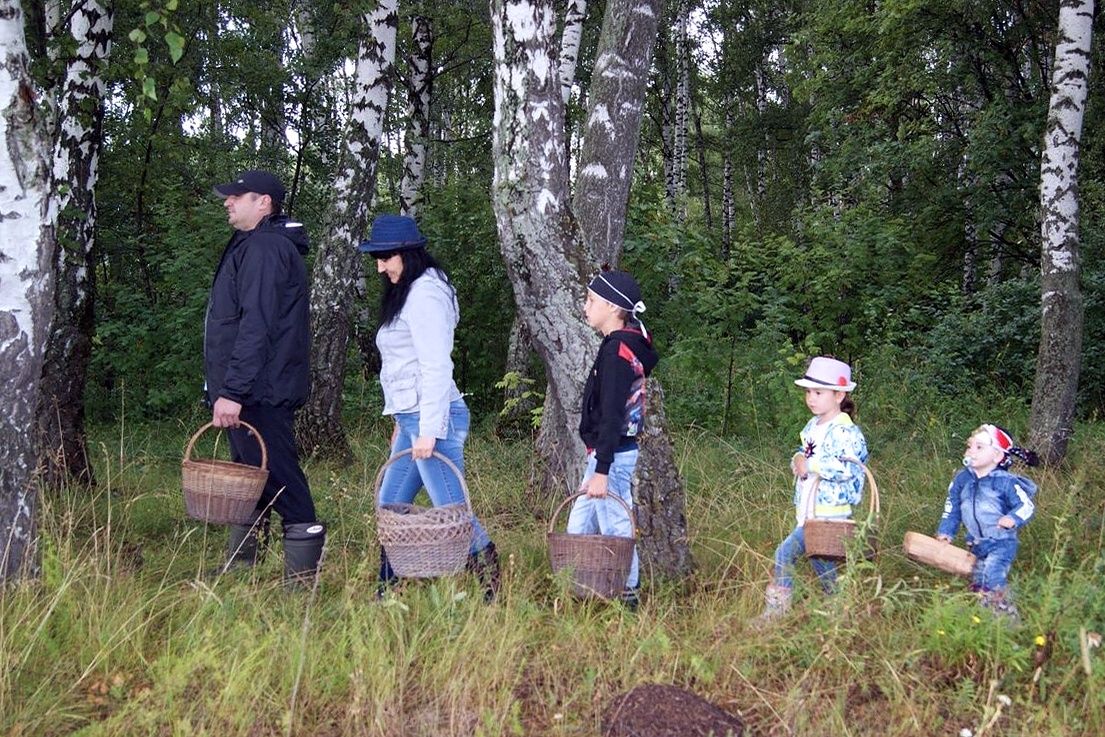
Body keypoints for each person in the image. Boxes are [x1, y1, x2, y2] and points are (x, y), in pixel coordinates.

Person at [358, 214, 500, 601]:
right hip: (413, 418)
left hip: (433, 419)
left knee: (451, 511)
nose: (380, 266)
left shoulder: (426, 295)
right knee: (391, 506)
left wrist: (428, 429)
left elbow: (437, 366)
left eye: (386, 257)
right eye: (378, 258)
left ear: (407, 253)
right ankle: (386, 591)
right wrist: (402, 422)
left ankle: (491, 584)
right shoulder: (410, 289)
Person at [206, 169, 325, 586]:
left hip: (261, 391)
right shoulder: (254, 245)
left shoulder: (266, 248)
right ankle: (241, 570)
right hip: (255, 388)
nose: (229, 201)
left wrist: (233, 391)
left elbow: (256, 325)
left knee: (279, 476)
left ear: (265, 203)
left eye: (238, 196)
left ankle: (301, 583)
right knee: (250, 473)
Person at [566, 270, 659, 610]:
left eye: (591, 300)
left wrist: (602, 469)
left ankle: (628, 596)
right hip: (603, 456)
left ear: (611, 307)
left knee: (616, 524)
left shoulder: (619, 351)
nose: (585, 306)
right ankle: (578, 588)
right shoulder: (616, 346)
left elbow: (612, 415)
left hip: (613, 457)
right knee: (579, 522)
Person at [753, 356, 868, 625]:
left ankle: (776, 613)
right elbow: (804, 454)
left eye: (818, 392)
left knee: (784, 554)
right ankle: (839, 612)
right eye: (808, 392)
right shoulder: (813, 426)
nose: (811, 398)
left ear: (839, 394)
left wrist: (811, 465)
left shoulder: (845, 431)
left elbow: (849, 468)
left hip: (828, 513)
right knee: (822, 565)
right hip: (808, 509)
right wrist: (797, 459)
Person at [936, 424, 1039, 621]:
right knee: (978, 578)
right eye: (969, 446)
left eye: (979, 447)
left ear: (997, 456)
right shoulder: (961, 480)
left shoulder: (1006, 482)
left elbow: (1027, 506)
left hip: (1001, 542)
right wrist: (946, 532)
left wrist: (1013, 518)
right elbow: (952, 508)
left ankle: (1008, 621)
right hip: (975, 542)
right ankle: (985, 617)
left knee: (992, 575)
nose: (971, 451)